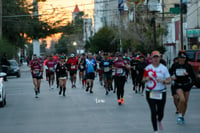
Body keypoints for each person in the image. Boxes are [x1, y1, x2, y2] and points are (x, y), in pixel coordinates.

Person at [143, 51, 171, 133]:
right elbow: (143, 79)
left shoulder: (164, 68)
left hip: (161, 92)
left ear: (160, 58)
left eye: (157, 57)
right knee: (153, 111)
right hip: (150, 92)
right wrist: (146, 79)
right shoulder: (147, 68)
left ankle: (160, 120)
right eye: (154, 57)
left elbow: (169, 81)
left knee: (160, 112)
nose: (155, 59)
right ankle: (155, 130)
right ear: (151, 58)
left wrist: (163, 81)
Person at [170, 51, 196, 124]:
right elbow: (170, 73)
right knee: (182, 99)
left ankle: (182, 116)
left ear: (185, 58)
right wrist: (172, 77)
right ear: (178, 58)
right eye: (181, 58)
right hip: (178, 85)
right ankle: (179, 115)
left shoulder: (188, 66)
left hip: (186, 85)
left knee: (185, 103)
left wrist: (188, 76)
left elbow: (193, 77)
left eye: (183, 58)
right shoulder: (175, 65)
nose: (182, 59)